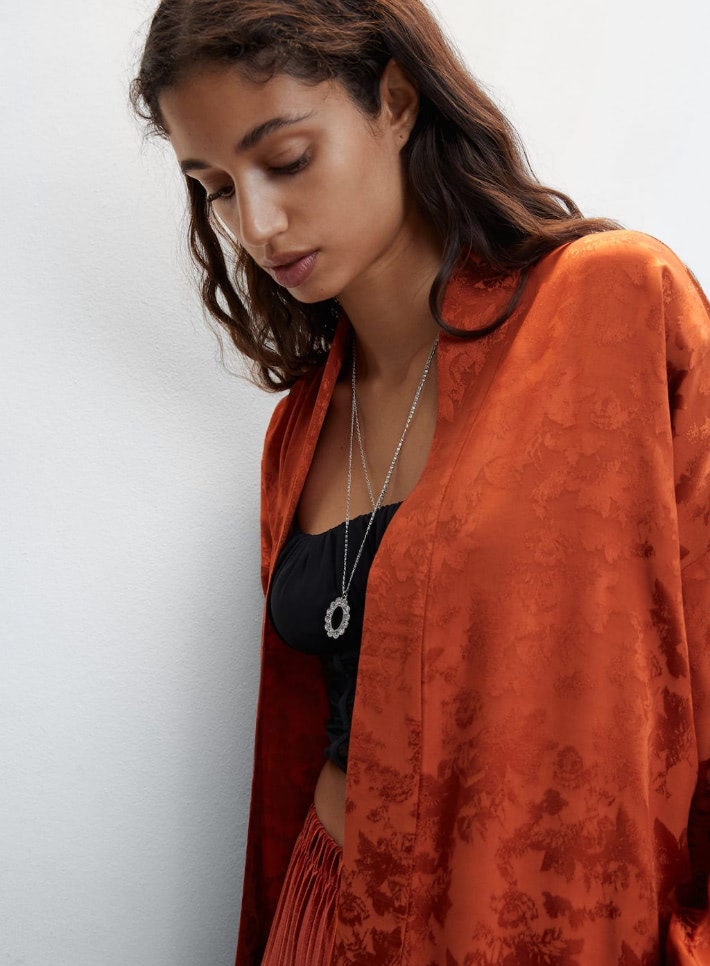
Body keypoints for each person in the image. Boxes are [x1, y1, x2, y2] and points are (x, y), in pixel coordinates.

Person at [130, 0, 710, 962]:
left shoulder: (610, 310)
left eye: (287, 159)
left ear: (396, 101)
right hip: (322, 914)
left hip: (529, 928)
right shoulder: (299, 431)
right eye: (216, 188)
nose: (257, 225)